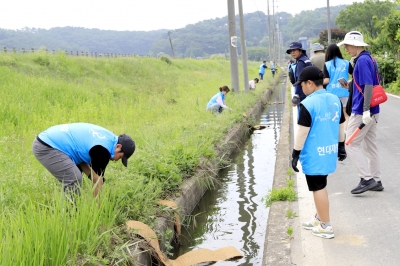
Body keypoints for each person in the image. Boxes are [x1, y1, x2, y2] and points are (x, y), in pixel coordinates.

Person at [291, 66, 347, 239]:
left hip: (315, 153)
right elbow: (341, 124)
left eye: (302, 85)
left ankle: (326, 225)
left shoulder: (308, 103)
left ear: (310, 83)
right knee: (321, 183)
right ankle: (319, 217)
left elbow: (302, 132)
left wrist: (295, 153)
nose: (301, 88)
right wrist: (341, 145)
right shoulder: (335, 99)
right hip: (329, 151)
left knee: (318, 187)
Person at [32, 123, 135, 199]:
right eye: (120, 157)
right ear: (118, 147)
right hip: (47, 146)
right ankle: (70, 217)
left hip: (48, 139)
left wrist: (93, 176)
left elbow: (80, 158)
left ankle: (72, 210)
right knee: (74, 178)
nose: (117, 160)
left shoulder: (108, 138)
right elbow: (97, 182)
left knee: (76, 173)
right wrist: (97, 211)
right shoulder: (103, 151)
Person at [337, 31, 383, 193]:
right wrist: (349, 84)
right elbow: (365, 83)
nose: (346, 49)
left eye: (348, 45)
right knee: (370, 145)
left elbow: (369, 85)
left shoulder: (362, 61)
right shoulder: (369, 58)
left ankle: (366, 178)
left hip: (363, 110)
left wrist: (364, 110)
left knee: (350, 142)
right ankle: (376, 180)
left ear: (356, 45)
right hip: (374, 109)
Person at [323, 43, 354, 128]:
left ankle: (337, 136)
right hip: (344, 92)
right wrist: (350, 81)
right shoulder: (346, 63)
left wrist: (317, 83)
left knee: (333, 115)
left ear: (328, 52)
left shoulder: (327, 64)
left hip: (331, 94)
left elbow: (326, 80)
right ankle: (345, 134)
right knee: (346, 114)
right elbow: (355, 74)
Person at [286, 41, 313, 107]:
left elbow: (300, 79)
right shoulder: (306, 59)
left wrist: (296, 95)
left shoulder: (301, 62)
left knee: (303, 115)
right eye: (291, 51)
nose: (292, 53)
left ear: (300, 50)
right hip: (310, 91)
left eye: (294, 50)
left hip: (303, 93)